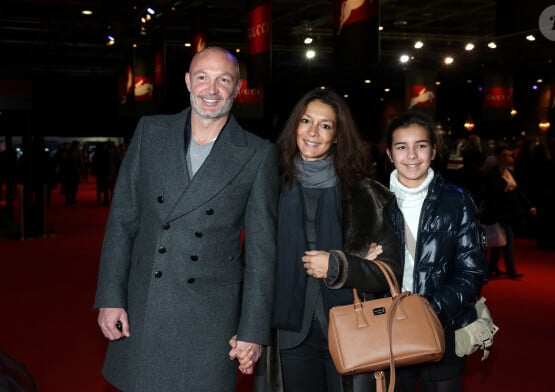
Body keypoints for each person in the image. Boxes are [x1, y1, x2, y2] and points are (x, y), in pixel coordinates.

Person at [93, 46, 279, 392]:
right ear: (188, 82)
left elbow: (261, 252)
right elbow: (122, 221)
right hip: (145, 303)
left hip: (210, 317)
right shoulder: (151, 133)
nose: (211, 89)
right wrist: (110, 296)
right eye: (203, 78)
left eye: (223, 80)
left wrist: (253, 330)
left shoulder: (258, 153)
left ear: (237, 88)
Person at [258, 87, 401, 392]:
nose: (313, 132)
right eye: (306, 121)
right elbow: (252, 263)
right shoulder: (269, 187)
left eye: (325, 126)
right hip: (288, 329)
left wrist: (341, 266)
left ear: (337, 136)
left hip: (351, 328)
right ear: (294, 125)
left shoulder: (365, 195)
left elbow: (389, 269)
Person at [384, 110, 487, 392]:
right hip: (389, 331)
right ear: (390, 154)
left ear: (434, 151)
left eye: (421, 145)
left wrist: (430, 309)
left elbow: (472, 272)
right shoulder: (373, 200)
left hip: (444, 326)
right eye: (401, 147)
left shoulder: (458, 201)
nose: (412, 155)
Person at [480, 143, 536, 278]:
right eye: (504, 155)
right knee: (505, 240)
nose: (507, 158)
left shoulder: (510, 172)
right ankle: (510, 270)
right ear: (498, 157)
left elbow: (519, 192)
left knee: (501, 242)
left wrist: (529, 206)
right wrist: (505, 188)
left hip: (508, 212)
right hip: (496, 213)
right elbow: (489, 193)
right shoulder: (492, 174)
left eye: (509, 155)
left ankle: (492, 268)